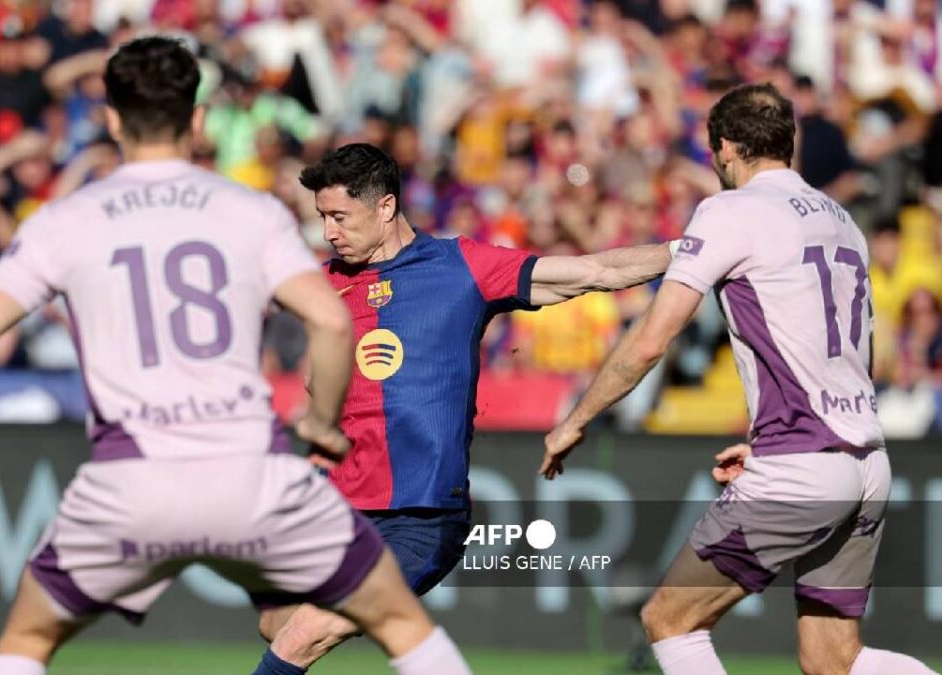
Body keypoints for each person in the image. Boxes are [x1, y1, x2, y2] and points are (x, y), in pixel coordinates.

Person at [0, 37, 471, 675]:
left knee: (28, 640)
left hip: (129, 477)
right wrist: (322, 423)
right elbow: (331, 321)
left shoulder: (66, 219)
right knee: (399, 625)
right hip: (248, 472)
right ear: (197, 120)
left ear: (111, 119)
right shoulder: (250, 212)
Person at [540, 83, 935, 675]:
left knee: (670, 621)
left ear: (724, 148)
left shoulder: (729, 210)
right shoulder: (841, 220)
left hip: (801, 465)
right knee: (834, 659)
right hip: (865, 461)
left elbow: (652, 338)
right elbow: (852, 354)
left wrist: (574, 422)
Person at [252, 142, 676, 675]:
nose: (329, 232)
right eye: (321, 218)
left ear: (385, 206)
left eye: (339, 216)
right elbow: (317, 380)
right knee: (276, 621)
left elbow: (595, 272)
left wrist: (690, 250)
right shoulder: (327, 283)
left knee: (304, 635)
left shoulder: (461, 267)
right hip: (341, 509)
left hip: (420, 515)